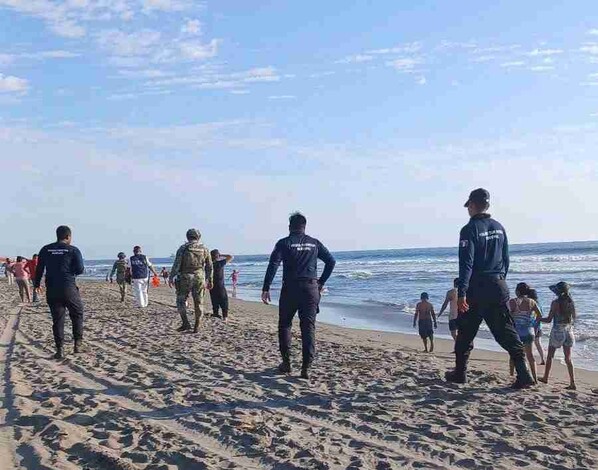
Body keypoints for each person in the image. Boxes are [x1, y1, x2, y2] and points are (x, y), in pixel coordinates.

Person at [445, 189, 534, 389]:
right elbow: (506, 260)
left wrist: (462, 292)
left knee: (465, 333)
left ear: (473, 205)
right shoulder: (499, 227)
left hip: (477, 288)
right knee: (506, 332)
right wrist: (501, 280)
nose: (468, 209)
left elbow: (466, 264)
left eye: (468, 205)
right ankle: (523, 373)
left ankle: (460, 373)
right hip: (498, 285)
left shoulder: (469, 229)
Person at [261, 212, 336, 380]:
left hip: (290, 288)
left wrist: (266, 287)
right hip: (310, 288)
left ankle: (287, 363)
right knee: (308, 327)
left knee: (285, 325)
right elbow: (331, 261)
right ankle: (306, 367)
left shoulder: (284, 243)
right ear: (304, 226)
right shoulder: (314, 243)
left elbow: (273, 264)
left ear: (289, 227)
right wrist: (321, 282)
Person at [34, 225, 85, 359]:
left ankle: (60, 349)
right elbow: (80, 269)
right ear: (68, 237)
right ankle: (77, 345)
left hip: (52, 288)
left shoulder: (45, 249)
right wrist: (70, 271)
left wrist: (36, 284)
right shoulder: (73, 250)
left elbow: (39, 269)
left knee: (58, 319)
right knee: (77, 313)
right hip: (68, 287)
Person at [169, 229, 213, 333]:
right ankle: (197, 325)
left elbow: (177, 264)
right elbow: (209, 266)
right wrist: (210, 279)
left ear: (188, 237)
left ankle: (185, 323)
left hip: (185, 277)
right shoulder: (205, 249)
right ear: (199, 237)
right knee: (199, 302)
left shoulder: (183, 248)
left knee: (181, 301)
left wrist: (171, 276)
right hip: (199, 277)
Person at [538, 282, 577, 390]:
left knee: (550, 356)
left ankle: (545, 377)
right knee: (568, 358)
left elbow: (549, 319)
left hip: (557, 331)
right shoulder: (571, 302)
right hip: (569, 331)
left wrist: (538, 319)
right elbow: (574, 318)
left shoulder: (555, 303)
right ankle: (572, 382)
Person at [507, 283, 542, 384]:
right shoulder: (532, 302)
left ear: (517, 291)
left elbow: (507, 316)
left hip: (516, 332)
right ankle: (535, 379)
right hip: (528, 330)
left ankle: (512, 375)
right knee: (530, 356)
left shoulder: (512, 302)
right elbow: (539, 316)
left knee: (514, 355)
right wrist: (533, 326)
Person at [210, 249, 234, 321]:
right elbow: (231, 257)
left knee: (214, 301)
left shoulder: (209, 264)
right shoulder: (220, 263)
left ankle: (216, 314)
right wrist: (221, 255)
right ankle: (225, 317)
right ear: (217, 256)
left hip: (211, 285)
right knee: (224, 300)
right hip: (220, 285)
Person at [529, 288, 546, 365]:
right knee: (538, 343)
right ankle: (542, 359)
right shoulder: (539, 304)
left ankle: (531, 359)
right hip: (539, 326)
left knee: (530, 344)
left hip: (532, 326)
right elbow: (541, 315)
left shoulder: (531, 303)